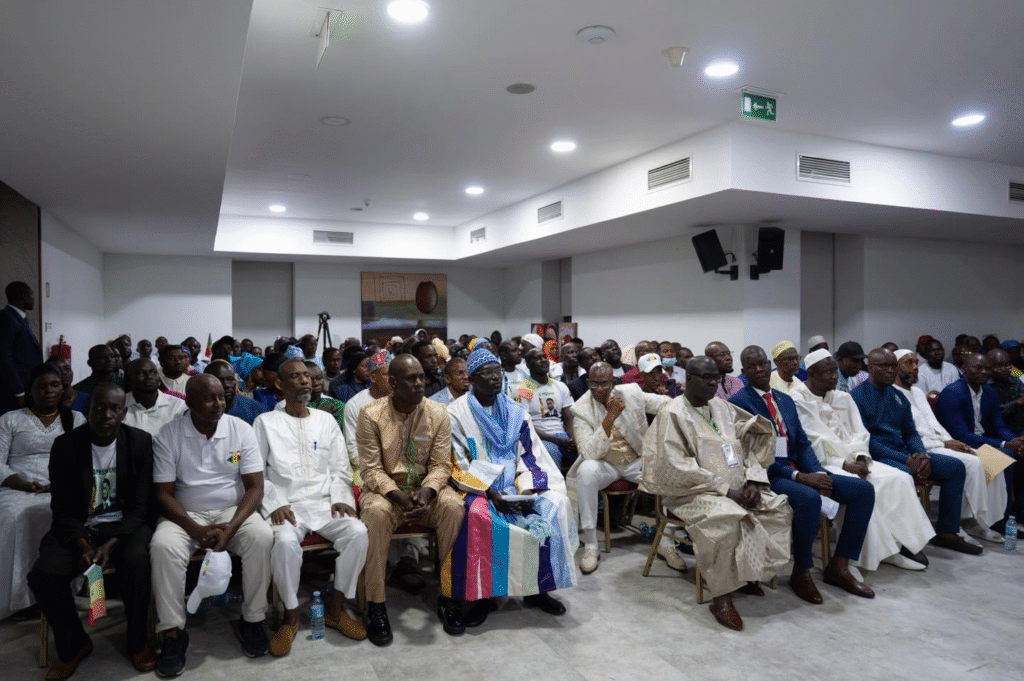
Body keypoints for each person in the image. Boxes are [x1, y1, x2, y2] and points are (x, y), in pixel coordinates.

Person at [640, 356, 791, 631]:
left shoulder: (721, 406)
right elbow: (675, 466)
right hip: (690, 493)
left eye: (715, 377)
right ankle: (721, 597)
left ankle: (746, 576)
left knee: (777, 507)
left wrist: (753, 482)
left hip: (736, 487)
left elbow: (755, 433)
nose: (713, 383)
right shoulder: (673, 413)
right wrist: (724, 489)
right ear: (688, 380)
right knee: (728, 518)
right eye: (706, 377)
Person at [28, 383, 155, 678]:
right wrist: (82, 545)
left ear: (124, 413)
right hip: (79, 528)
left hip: (123, 528)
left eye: (114, 408)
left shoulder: (139, 443)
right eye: (99, 407)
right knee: (43, 574)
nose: (106, 414)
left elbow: (141, 507)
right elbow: (60, 507)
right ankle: (74, 644)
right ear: (88, 409)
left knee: (138, 563)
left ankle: (138, 642)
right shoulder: (66, 446)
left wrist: (110, 544)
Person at [729, 347, 876, 601]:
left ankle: (839, 566)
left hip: (800, 467)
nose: (760, 370)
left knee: (863, 490)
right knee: (809, 499)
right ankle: (802, 571)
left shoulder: (784, 399)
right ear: (743, 372)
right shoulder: (738, 403)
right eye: (752, 367)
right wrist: (801, 478)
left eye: (762, 364)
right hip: (767, 475)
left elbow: (803, 443)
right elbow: (752, 456)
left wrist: (818, 473)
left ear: (769, 365)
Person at [150, 375, 273, 676]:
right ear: (188, 402)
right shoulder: (169, 434)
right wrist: (194, 529)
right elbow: (163, 493)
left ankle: (253, 620)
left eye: (221, 397)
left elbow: (255, 488)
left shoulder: (240, 429)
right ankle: (173, 632)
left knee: (261, 536)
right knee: (163, 546)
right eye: (209, 398)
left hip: (232, 510)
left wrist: (230, 527)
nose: (218, 404)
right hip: (185, 513)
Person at [445, 348, 576, 622]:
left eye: (498, 372)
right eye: (488, 373)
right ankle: (486, 596)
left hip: (518, 484)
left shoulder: (517, 412)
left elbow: (530, 454)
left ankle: (537, 589)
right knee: (479, 516)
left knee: (554, 505)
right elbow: (458, 463)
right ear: (471, 379)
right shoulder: (455, 413)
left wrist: (526, 491)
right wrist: (491, 493)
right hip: (479, 487)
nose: (495, 378)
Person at [254, 359, 367, 655]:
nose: (305, 381)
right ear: (279, 384)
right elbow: (256, 472)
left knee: (358, 532)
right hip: (287, 505)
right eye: (295, 376)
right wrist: (274, 502)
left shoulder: (325, 420)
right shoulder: (265, 422)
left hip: (325, 502)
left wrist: (342, 496)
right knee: (285, 543)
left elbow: (340, 466)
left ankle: (336, 608)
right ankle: (290, 618)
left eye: (307, 375)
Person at [790, 349, 936, 571]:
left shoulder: (843, 397)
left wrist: (859, 455)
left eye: (834, 372)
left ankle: (899, 545)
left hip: (856, 458)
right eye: (827, 372)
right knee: (866, 489)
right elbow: (811, 440)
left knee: (899, 479)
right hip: (825, 464)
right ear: (810, 373)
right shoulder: (797, 398)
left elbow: (860, 432)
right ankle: (861, 558)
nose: (833, 377)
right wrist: (845, 464)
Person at [356, 355, 465, 646]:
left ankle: (449, 597)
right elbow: (370, 469)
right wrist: (402, 498)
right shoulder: (370, 414)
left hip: (427, 490)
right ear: (392, 383)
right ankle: (376, 606)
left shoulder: (438, 412)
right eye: (410, 378)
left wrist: (427, 493)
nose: (419, 383)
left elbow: (442, 465)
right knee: (375, 514)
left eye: (421, 377)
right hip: (388, 493)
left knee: (454, 506)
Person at [851, 348, 979, 556]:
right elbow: (867, 440)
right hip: (878, 455)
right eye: (885, 367)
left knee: (955, 467)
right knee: (904, 475)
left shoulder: (899, 396)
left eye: (893, 366)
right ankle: (905, 541)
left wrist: (921, 455)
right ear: (870, 368)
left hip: (906, 453)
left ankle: (947, 531)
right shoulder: (857, 397)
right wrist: (906, 459)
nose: (891, 371)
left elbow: (910, 432)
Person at [0, 364, 85, 620]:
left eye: (54, 385)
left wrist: (60, 484)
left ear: (63, 389)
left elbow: (84, 462)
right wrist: (25, 484)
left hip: (62, 489)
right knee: (13, 515)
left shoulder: (77, 420)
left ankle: (73, 593)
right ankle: (18, 599)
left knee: (69, 517)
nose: (48, 390)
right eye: (42, 386)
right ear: (30, 391)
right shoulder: (10, 419)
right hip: (18, 487)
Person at [892, 350, 1005, 543]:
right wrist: (945, 443)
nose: (914, 367)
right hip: (923, 448)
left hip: (941, 442)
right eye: (908, 362)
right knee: (973, 463)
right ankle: (966, 521)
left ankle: (988, 520)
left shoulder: (917, 392)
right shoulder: (891, 394)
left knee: (995, 460)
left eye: (916, 362)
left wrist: (954, 443)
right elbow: (909, 434)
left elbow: (934, 425)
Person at [569, 361, 671, 574]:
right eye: (594, 384)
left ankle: (667, 540)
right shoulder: (580, 409)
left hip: (635, 459)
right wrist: (610, 417)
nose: (599, 389)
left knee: (668, 468)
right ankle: (591, 545)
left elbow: (665, 404)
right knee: (585, 470)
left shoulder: (631, 392)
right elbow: (589, 453)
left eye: (604, 384)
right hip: (605, 464)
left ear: (612, 382)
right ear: (587, 383)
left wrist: (662, 434)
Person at [936, 352, 1024, 531]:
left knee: (1020, 453)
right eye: (978, 368)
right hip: (957, 444)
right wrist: (1004, 445)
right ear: (964, 370)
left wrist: (1015, 439)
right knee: (1005, 456)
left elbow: (999, 425)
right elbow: (961, 434)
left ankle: (1017, 511)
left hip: (981, 440)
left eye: (986, 368)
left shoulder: (988, 391)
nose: (984, 372)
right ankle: (1000, 521)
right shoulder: (952, 393)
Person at [519, 348, 577, 469]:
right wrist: (558, 440)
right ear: (528, 365)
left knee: (583, 450)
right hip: (541, 437)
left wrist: (572, 438)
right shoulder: (526, 389)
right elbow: (526, 426)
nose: (543, 360)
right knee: (551, 452)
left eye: (544, 357)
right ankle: (555, 487)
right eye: (537, 358)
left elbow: (569, 417)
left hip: (562, 436)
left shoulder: (559, 386)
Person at [0, 281, 42, 415]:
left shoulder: (18, 318)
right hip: (12, 392)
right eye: (32, 295)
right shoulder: (7, 318)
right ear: (24, 296)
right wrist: (19, 391)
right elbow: (4, 357)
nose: (33, 299)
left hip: (25, 386)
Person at [122, 358, 187, 436]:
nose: (149, 376)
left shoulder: (177, 406)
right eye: (141, 373)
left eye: (153, 372)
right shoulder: (119, 404)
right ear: (129, 379)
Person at [205, 359, 266, 425]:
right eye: (219, 380)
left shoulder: (254, 408)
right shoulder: (201, 410)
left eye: (230, 379)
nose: (227, 385)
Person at [70, 344, 122, 410]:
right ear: (90, 363)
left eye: (112, 356)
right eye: (103, 357)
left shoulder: (122, 383)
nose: (109, 360)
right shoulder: (78, 389)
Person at [987, 348, 1024, 433]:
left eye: (1007, 365)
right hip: (996, 431)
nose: (1004, 369)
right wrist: (1017, 402)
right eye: (998, 366)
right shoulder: (984, 386)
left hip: (1018, 427)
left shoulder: (1016, 380)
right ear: (987, 366)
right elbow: (993, 413)